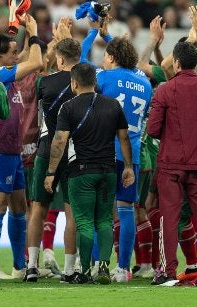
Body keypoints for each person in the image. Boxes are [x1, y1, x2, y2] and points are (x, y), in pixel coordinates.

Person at [44, 62, 134, 284]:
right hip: (108, 171)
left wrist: (51, 171)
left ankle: (84, 270)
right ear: (95, 81)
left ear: (74, 83)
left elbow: (59, 141)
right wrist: (129, 166)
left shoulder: (68, 108)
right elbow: (124, 137)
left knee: (83, 221)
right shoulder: (113, 105)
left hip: (80, 172)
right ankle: (103, 264)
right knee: (104, 220)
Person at [146, 41, 197, 285]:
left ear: (177, 63)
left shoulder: (165, 90)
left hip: (172, 164)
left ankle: (168, 272)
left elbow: (153, 128)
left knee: (169, 217)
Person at [0, 14, 43, 280]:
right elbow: (38, 61)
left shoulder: (6, 73)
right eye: (13, 53)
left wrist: (13, 25)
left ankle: (20, 265)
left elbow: (19, 55)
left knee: (19, 207)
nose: (17, 55)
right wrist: (33, 32)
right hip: (0, 150)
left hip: (14, 150)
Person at [96, 37, 152, 282]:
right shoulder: (145, 83)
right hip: (133, 153)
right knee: (127, 209)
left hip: (105, 151)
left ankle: (98, 265)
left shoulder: (103, 78)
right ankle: (123, 269)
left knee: (101, 211)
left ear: (111, 57)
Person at [27, 36, 81, 283]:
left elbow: (36, 106)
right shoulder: (87, 85)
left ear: (59, 59)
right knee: (72, 213)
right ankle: (70, 269)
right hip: (75, 151)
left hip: (47, 148)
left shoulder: (44, 83)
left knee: (38, 208)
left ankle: (31, 266)